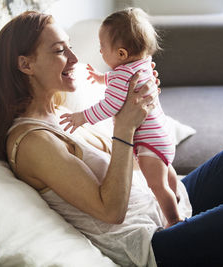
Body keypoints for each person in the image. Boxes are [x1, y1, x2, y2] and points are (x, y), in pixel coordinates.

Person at [0, 10, 223, 267]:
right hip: (150, 243)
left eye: (70, 47)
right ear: (26, 64)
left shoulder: (58, 111)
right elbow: (110, 211)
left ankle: (210, 238)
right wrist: (125, 127)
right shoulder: (33, 142)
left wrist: (143, 101)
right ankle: (210, 240)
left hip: (164, 209)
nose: (75, 59)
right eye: (60, 51)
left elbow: (131, 160)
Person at [59, 8, 182, 228]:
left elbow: (110, 105)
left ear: (122, 54)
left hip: (148, 142)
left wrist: (82, 117)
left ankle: (174, 219)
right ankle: (176, 196)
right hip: (162, 135)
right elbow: (121, 78)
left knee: (156, 186)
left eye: (102, 47)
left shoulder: (121, 75)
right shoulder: (142, 63)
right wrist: (100, 78)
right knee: (166, 171)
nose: (100, 51)